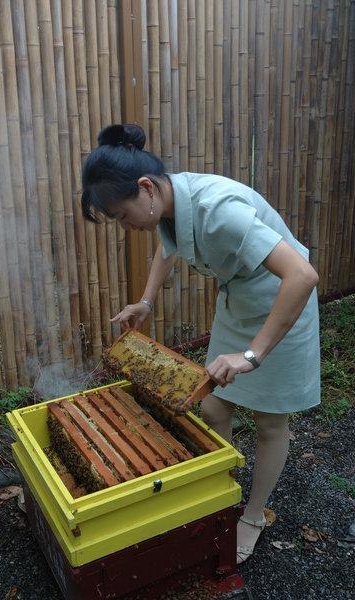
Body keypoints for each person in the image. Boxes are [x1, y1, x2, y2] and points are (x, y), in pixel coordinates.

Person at [81, 123, 321, 564]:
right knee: (212, 406)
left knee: (269, 422)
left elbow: (302, 276)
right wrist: (146, 301)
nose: (124, 225)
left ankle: (251, 516)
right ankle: (219, 493)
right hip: (238, 301)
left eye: (120, 215)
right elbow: (168, 248)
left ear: (145, 188)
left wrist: (253, 355)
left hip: (282, 306)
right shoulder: (171, 203)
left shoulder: (218, 208)